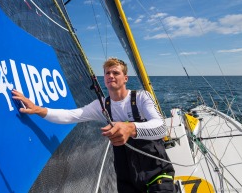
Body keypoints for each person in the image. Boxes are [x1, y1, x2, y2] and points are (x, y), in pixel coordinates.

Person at [12, 58, 176, 192]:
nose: (110, 75)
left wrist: (131, 128)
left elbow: (160, 127)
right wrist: (39, 110)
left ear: (125, 78)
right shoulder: (102, 106)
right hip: (127, 179)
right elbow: (70, 115)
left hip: (156, 172)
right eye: (107, 73)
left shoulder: (141, 98)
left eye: (115, 72)